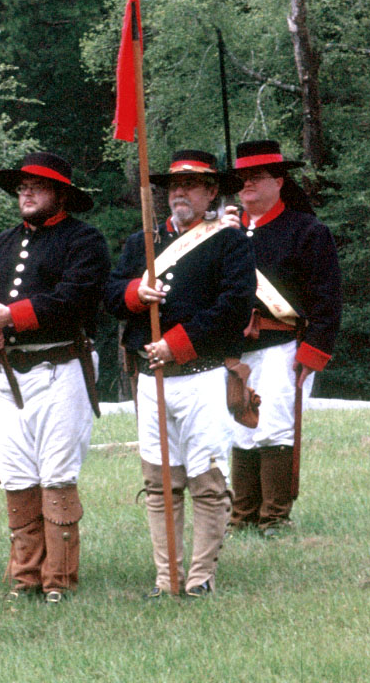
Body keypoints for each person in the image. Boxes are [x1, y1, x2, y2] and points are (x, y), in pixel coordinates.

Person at [0, 151, 111, 604]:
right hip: (8, 373)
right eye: (21, 186)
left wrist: (10, 317)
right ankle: (25, 577)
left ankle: (58, 581)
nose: (25, 192)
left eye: (36, 186)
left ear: (59, 193)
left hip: (61, 367)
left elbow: (76, 299)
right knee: (17, 474)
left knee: (57, 474)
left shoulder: (85, 242)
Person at [105, 150, 256, 598]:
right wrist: (136, 293)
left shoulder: (230, 242)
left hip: (202, 372)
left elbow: (233, 306)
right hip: (152, 381)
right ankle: (165, 577)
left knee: (206, 481)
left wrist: (178, 342)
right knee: (159, 483)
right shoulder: (142, 243)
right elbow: (110, 295)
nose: (180, 194)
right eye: (173, 187)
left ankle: (201, 576)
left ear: (211, 192)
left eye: (191, 186)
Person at [225, 140, 342, 536]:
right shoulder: (226, 234)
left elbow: (327, 299)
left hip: (282, 345)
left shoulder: (307, 231)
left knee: (274, 426)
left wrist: (312, 353)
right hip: (236, 348)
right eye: (241, 178)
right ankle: (242, 515)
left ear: (279, 181)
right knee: (240, 426)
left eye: (255, 177)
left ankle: (274, 517)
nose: (246, 185)